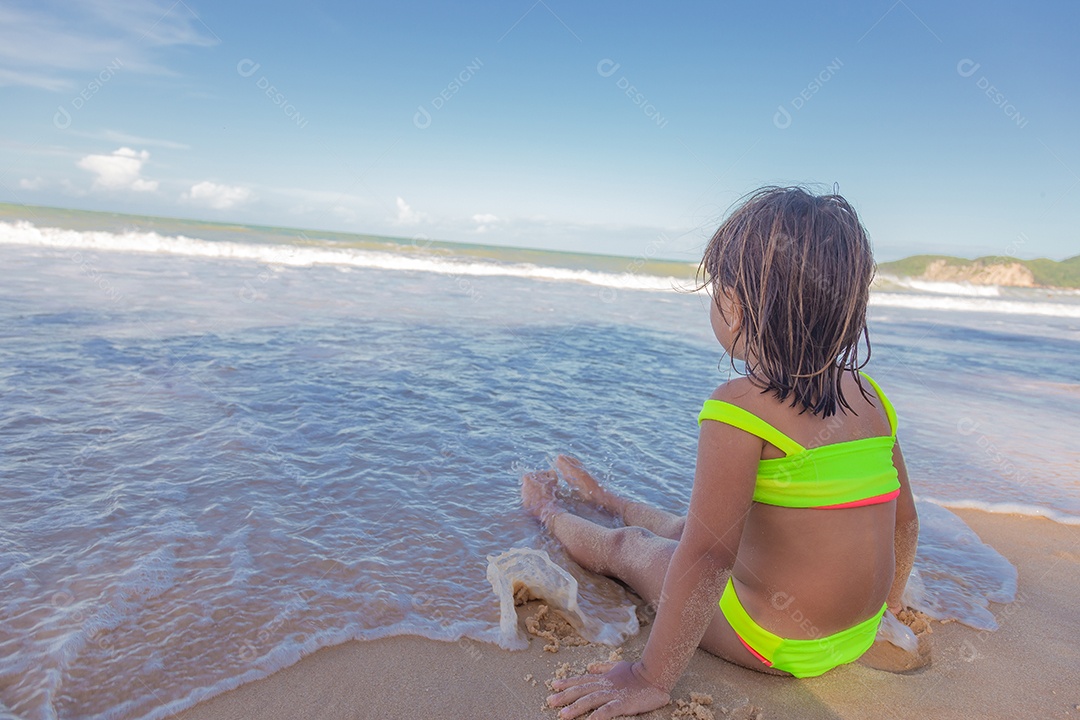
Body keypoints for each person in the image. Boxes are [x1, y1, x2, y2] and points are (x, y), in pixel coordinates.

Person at [520, 186, 920, 719]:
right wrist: (888, 609)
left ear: (735, 306)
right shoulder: (873, 400)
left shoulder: (738, 408)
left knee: (633, 546)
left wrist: (647, 677)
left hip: (775, 644)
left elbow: (709, 558)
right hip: (859, 631)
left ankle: (547, 510)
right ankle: (607, 496)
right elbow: (905, 522)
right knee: (687, 527)